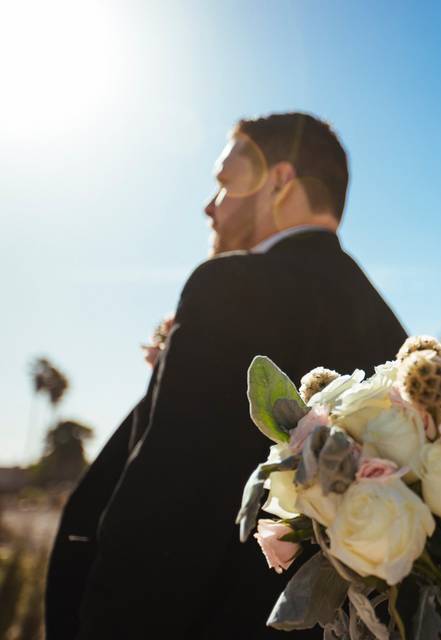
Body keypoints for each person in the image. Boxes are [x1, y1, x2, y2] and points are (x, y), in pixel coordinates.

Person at [46, 112, 408, 639]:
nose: (209, 206)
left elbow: (168, 510)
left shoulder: (231, 287)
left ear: (280, 182)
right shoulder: (392, 333)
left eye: (223, 183)